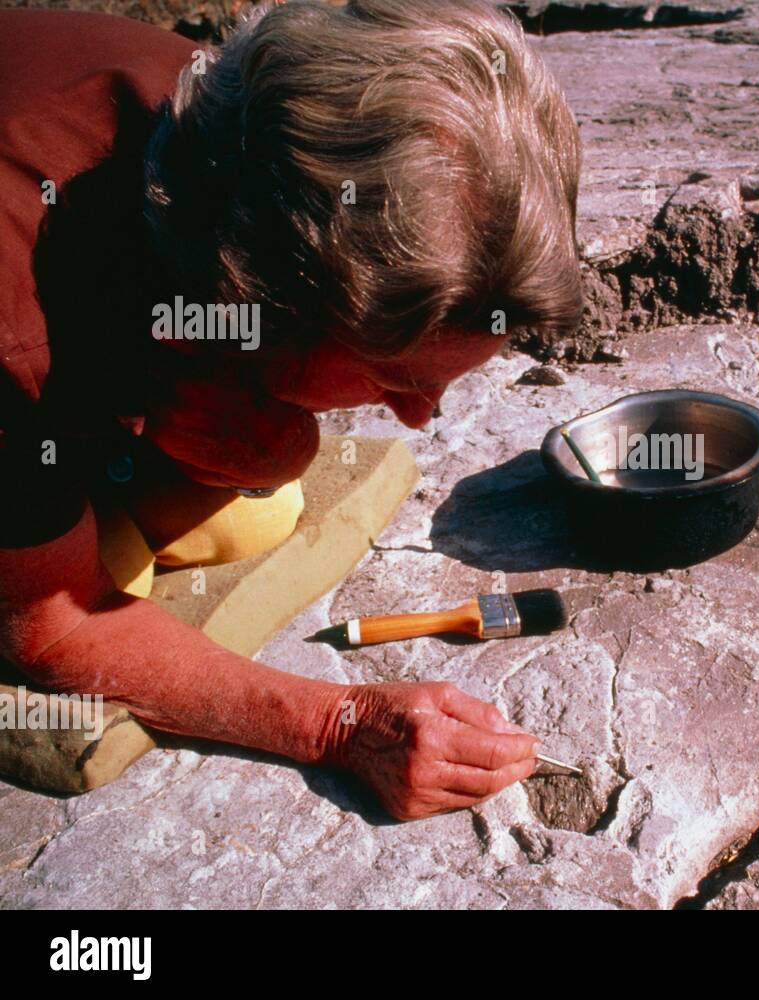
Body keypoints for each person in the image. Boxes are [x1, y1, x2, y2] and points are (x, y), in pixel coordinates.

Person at [0, 0, 585, 820]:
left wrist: (231, 414)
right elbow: (61, 631)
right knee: (105, 578)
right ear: (260, 299)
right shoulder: (15, 335)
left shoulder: (256, 122)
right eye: (393, 378)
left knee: (247, 510)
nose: (422, 419)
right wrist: (340, 724)